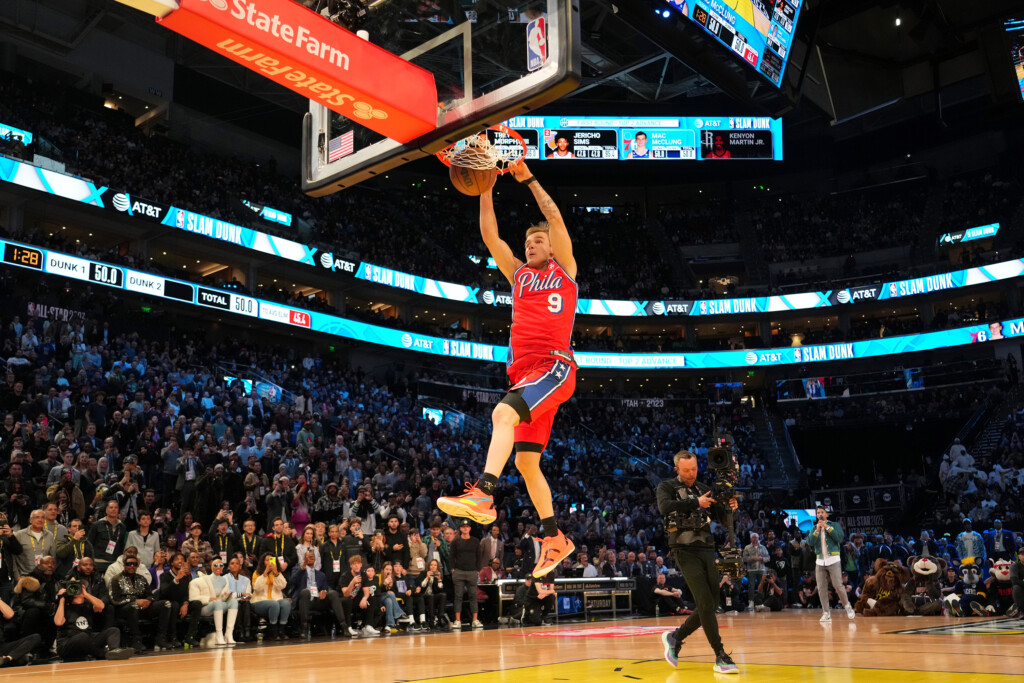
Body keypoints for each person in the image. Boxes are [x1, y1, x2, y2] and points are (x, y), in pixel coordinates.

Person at [438, 161, 578, 579]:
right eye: (529, 240)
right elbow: (489, 236)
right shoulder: (518, 275)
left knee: (502, 413)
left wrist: (527, 178)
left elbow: (554, 217)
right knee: (527, 464)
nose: (532, 244)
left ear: (551, 246)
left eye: (538, 240)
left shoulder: (565, 271)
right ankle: (555, 538)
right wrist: (486, 185)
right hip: (527, 376)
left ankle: (483, 493)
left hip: (555, 367)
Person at [657, 450, 739, 675]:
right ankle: (720, 655)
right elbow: (664, 507)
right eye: (686, 471)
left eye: (694, 469)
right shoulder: (666, 487)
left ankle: (675, 637)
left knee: (710, 605)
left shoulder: (704, 488)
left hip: (707, 548)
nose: (691, 474)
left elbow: (721, 517)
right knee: (704, 602)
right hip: (683, 549)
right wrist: (695, 502)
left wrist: (729, 508)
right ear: (677, 469)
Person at [54, 577, 133, 662]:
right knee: (82, 636)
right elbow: (58, 622)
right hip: (67, 643)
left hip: (87, 639)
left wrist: (86, 594)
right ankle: (103, 653)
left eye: (79, 586)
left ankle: (114, 651)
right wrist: (62, 599)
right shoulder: (65, 605)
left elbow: (101, 606)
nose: (76, 589)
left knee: (113, 630)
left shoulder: (87, 604)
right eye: (73, 587)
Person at [809, 504, 855, 622]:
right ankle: (826, 613)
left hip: (833, 559)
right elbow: (810, 542)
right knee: (821, 587)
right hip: (820, 561)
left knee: (838, 585)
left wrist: (827, 527)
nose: (819, 514)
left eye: (822, 512)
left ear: (827, 514)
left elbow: (840, 538)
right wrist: (818, 529)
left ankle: (847, 606)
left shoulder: (834, 525)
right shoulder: (814, 528)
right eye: (818, 513)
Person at [251, 553, 295, 640]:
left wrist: (276, 573)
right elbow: (256, 588)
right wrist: (265, 573)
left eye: (271, 560)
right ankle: (273, 632)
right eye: (267, 560)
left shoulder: (277, 573)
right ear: (263, 562)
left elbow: (282, 586)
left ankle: (282, 630)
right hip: (259, 601)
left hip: (275, 600)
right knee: (273, 604)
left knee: (285, 603)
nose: (269, 562)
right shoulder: (257, 573)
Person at [449, 519, 483, 629]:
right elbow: (451, 556)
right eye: (463, 526)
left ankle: (475, 620)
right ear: (460, 528)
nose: (465, 528)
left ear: (470, 528)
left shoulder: (475, 541)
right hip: (458, 572)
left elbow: (479, 556)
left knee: (473, 596)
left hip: (472, 572)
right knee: (458, 596)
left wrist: (478, 570)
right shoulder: (455, 541)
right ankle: (457, 620)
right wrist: (452, 569)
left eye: (467, 526)